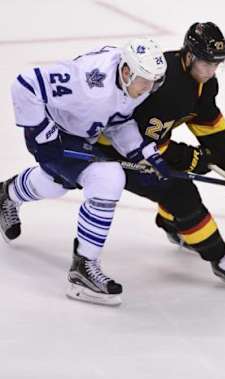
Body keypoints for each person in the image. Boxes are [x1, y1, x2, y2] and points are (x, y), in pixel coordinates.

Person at [0, 39, 170, 305]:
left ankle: (7, 194)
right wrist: (44, 133)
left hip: (78, 136)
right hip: (52, 133)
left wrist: (145, 154)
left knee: (55, 184)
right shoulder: (89, 83)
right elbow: (25, 85)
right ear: (126, 72)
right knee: (109, 177)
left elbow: (118, 121)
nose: (149, 89)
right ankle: (83, 268)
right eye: (145, 82)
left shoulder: (136, 82)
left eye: (154, 82)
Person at [98, 22, 225, 288]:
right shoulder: (166, 85)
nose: (211, 71)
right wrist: (189, 159)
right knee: (180, 193)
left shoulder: (203, 83)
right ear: (189, 55)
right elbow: (144, 141)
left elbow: (210, 126)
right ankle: (7, 194)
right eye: (206, 63)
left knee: (176, 191)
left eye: (216, 64)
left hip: (139, 147)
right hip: (111, 148)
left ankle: (179, 228)